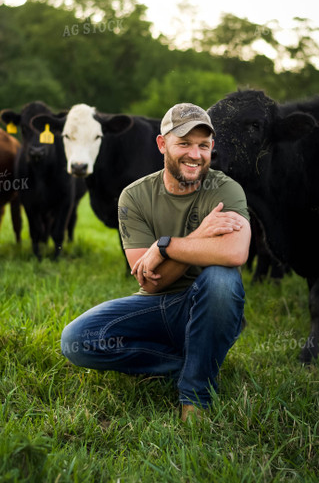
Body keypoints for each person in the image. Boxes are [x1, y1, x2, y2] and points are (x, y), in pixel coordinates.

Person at [61, 103, 251, 421]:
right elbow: (150, 282)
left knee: (220, 278)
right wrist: (200, 237)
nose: (195, 154)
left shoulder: (226, 189)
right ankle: (190, 360)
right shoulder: (134, 197)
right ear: (162, 144)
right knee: (76, 340)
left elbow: (234, 253)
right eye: (184, 143)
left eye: (203, 145)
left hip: (213, 309)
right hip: (157, 305)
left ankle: (196, 396)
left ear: (211, 148)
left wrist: (165, 249)